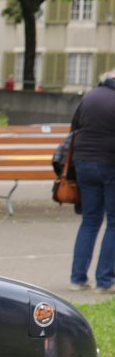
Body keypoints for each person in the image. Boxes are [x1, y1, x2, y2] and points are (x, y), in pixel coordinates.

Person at [69, 69, 115, 291]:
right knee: (113, 223)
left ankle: (78, 278)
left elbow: (74, 127)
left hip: (83, 162)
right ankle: (105, 281)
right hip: (110, 163)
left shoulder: (90, 96)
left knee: (89, 221)